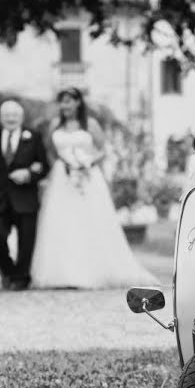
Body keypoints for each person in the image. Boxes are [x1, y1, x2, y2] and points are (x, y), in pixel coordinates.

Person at [30, 87, 157, 289]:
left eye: (69, 101)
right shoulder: (55, 124)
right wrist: (63, 166)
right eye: (62, 101)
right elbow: (50, 151)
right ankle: (61, 273)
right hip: (62, 178)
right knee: (62, 223)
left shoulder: (90, 124)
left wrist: (86, 164)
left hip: (88, 177)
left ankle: (91, 271)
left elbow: (102, 150)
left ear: (78, 103)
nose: (65, 105)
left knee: (89, 220)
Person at [0, 100, 50, 290]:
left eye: (14, 115)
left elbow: (44, 167)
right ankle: (8, 272)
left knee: (26, 241)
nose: (11, 118)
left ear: (21, 117)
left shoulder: (33, 137)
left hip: (25, 199)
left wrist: (28, 175)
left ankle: (22, 277)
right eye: (6, 115)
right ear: (0, 118)